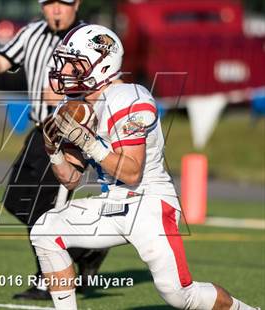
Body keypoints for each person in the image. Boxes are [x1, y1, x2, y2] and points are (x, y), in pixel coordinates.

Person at [30, 24, 259, 310]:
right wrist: (54, 152)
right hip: (113, 202)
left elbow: (131, 171)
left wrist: (88, 143)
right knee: (45, 230)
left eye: (75, 64)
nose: (66, 72)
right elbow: (71, 179)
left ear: (102, 64)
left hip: (149, 203)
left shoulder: (130, 97)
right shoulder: (77, 104)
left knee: (180, 296)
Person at [0, 0, 108, 300]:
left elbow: (104, 84)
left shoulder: (89, 37)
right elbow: (2, 59)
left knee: (48, 210)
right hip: (40, 131)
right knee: (16, 200)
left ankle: (49, 279)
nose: (56, 11)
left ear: (77, 4)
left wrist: (70, 93)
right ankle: (86, 248)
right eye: (49, 4)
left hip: (69, 133)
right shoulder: (31, 34)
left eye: (63, 4)